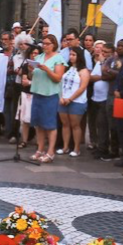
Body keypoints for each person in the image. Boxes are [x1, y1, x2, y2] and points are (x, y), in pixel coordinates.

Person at [30, 34, 65, 163]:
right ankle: (40, 149)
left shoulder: (58, 58)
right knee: (38, 124)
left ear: (54, 45)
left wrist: (46, 70)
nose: (44, 46)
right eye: (43, 43)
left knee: (49, 125)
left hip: (50, 95)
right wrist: (30, 69)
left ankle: (50, 151)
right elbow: (33, 75)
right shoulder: (39, 57)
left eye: (47, 43)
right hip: (38, 92)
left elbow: (57, 78)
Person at [57, 45, 89, 157]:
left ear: (79, 56)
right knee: (65, 124)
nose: (71, 57)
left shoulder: (84, 71)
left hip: (76, 101)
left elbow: (82, 87)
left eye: (74, 55)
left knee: (75, 125)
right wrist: (61, 97)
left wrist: (70, 99)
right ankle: (65, 147)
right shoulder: (68, 68)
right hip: (64, 99)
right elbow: (60, 83)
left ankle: (76, 148)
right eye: (70, 54)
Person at [87, 41, 111, 159]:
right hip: (95, 97)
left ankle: (103, 147)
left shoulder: (108, 62)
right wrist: (102, 76)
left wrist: (102, 73)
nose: (103, 53)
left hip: (105, 98)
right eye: (103, 51)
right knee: (94, 122)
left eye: (106, 52)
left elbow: (107, 76)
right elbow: (92, 77)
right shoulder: (99, 63)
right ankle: (96, 144)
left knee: (102, 124)